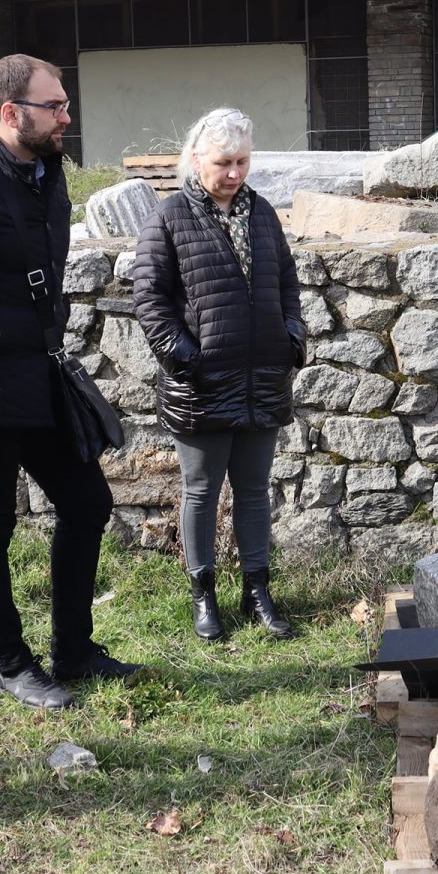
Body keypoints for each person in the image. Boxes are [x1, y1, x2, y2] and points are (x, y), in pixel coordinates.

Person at [0, 54, 140, 711]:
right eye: (55, 106)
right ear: (10, 112)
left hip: (41, 373)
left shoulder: (48, 171)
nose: (67, 116)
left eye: (65, 104)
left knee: (87, 504)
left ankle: (74, 651)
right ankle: (13, 665)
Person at [132, 108, 306, 641]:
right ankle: (203, 595)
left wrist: (292, 338)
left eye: (242, 162)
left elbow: (287, 282)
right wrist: (188, 359)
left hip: (263, 380)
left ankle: (257, 593)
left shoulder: (263, 213)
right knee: (202, 490)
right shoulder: (168, 217)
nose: (234, 173)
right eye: (223, 162)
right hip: (202, 385)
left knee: (253, 490)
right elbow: (150, 299)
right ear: (196, 159)